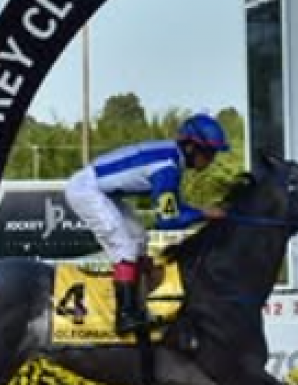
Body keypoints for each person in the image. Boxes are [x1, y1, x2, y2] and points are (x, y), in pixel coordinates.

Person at [65, 113, 230, 335]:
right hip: (86, 190)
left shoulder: (172, 158)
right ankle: (125, 317)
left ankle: (138, 306)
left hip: (102, 190)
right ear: (191, 147)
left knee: (138, 238)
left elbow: (172, 208)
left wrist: (201, 212)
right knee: (124, 247)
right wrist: (204, 213)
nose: (211, 160)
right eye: (209, 152)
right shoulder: (167, 168)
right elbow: (169, 220)